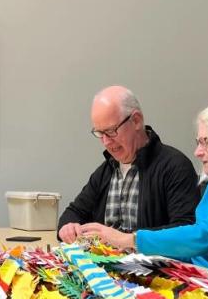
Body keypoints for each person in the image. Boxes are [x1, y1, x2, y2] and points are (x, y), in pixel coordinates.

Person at [81, 94, 208, 266]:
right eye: (198, 142)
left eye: (206, 142)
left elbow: (205, 236)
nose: (198, 152)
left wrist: (129, 240)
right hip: (198, 277)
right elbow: (192, 247)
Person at [57, 86, 199, 243]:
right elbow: (74, 211)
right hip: (104, 263)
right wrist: (68, 227)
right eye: (100, 133)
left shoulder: (175, 166)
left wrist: (126, 239)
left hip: (153, 265)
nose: (106, 142)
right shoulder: (107, 170)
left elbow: (185, 229)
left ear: (136, 120)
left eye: (111, 131)